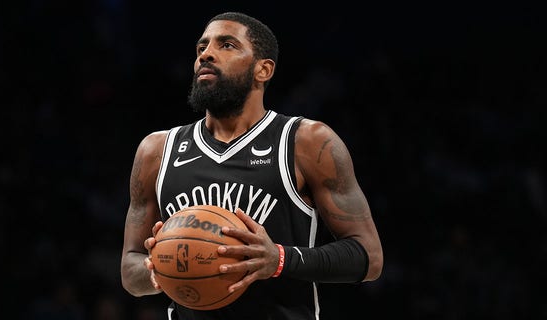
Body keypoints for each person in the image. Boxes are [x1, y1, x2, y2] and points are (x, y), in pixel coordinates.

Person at [120, 11, 383, 320]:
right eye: (201, 48)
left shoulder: (306, 142)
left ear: (263, 70)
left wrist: (280, 259)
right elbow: (130, 267)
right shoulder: (157, 150)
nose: (206, 54)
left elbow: (369, 257)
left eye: (227, 45)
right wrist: (158, 269)